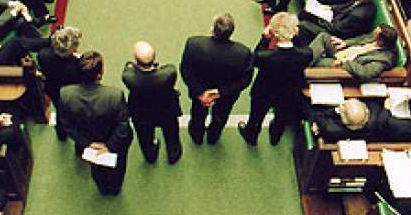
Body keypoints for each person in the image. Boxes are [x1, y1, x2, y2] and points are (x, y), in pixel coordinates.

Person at [58, 51, 133, 195]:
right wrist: (109, 146)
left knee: (96, 168)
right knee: (118, 167)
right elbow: (123, 125)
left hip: (88, 141)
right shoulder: (115, 95)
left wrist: (87, 143)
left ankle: (103, 188)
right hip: (113, 141)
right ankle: (115, 188)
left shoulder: (65, 94)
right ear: (100, 74)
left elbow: (67, 124)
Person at [239, 13, 312, 146]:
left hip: (263, 92)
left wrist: (265, 39)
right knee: (281, 118)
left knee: (256, 116)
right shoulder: (305, 54)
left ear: (273, 32)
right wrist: (297, 36)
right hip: (288, 93)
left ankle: (251, 136)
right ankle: (275, 137)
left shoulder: (265, 56)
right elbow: (304, 47)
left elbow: (255, 58)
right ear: (294, 31)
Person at [179, 13, 253, 144]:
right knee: (220, 116)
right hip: (225, 96)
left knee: (197, 114)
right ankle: (213, 137)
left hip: (200, 94)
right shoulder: (243, 53)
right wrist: (219, 92)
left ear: (212, 29)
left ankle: (197, 135)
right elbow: (244, 80)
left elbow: (186, 70)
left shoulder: (194, 44)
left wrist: (200, 92)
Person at [122, 41, 182, 164]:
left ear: (136, 61)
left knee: (145, 137)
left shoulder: (128, 77)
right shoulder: (169, 73)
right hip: (166, 110)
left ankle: (150, 156)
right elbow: (168, 67)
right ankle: (173, 154)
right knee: (171, 133)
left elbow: (128, 66)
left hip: (142, 113)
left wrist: (132, 66)